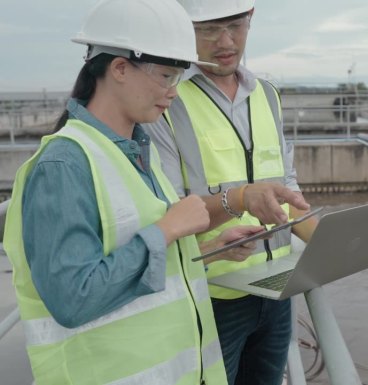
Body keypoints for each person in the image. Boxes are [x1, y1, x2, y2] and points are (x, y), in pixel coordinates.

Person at [2, 0, 268, 383]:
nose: (174, 92)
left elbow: (135, 260)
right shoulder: (63, 165)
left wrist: (208, 250)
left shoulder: (138, 151)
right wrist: (167, 230)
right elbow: (73, 297)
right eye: (166, 76)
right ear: (120, 68)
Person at [145, 1, 316, 383]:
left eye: (234, 26)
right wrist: (240, 199)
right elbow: (168, 210)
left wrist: (326, 241)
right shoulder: (166, 101)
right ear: (184, 28)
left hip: (277, 288)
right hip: (212, 295)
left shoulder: (268, 94)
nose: (225, 42)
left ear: (250, 20)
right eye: (208, 30)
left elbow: (286, 184)